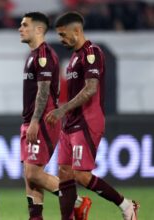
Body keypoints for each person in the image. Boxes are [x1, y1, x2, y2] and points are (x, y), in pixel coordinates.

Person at [45, 11, 139, 220]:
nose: (61, 40)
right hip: (70, 123)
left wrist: (62, 109)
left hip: (87, 121)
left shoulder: (92, 52)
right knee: (65, 173)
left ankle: (126, 205)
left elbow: (91, 89)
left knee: (81, 175)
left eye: (63, 34)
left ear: (77, 30)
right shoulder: (73, 58)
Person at [18, 12, 91, 220]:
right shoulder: (33, 55)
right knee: (30, 178)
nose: (20, 28)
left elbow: (44, 91)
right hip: (30, 121)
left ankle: (77, 202)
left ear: (39, 29)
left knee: (33, 173)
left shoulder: (44, 55)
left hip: (41, 121)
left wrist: (33, 122)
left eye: (25, 25)